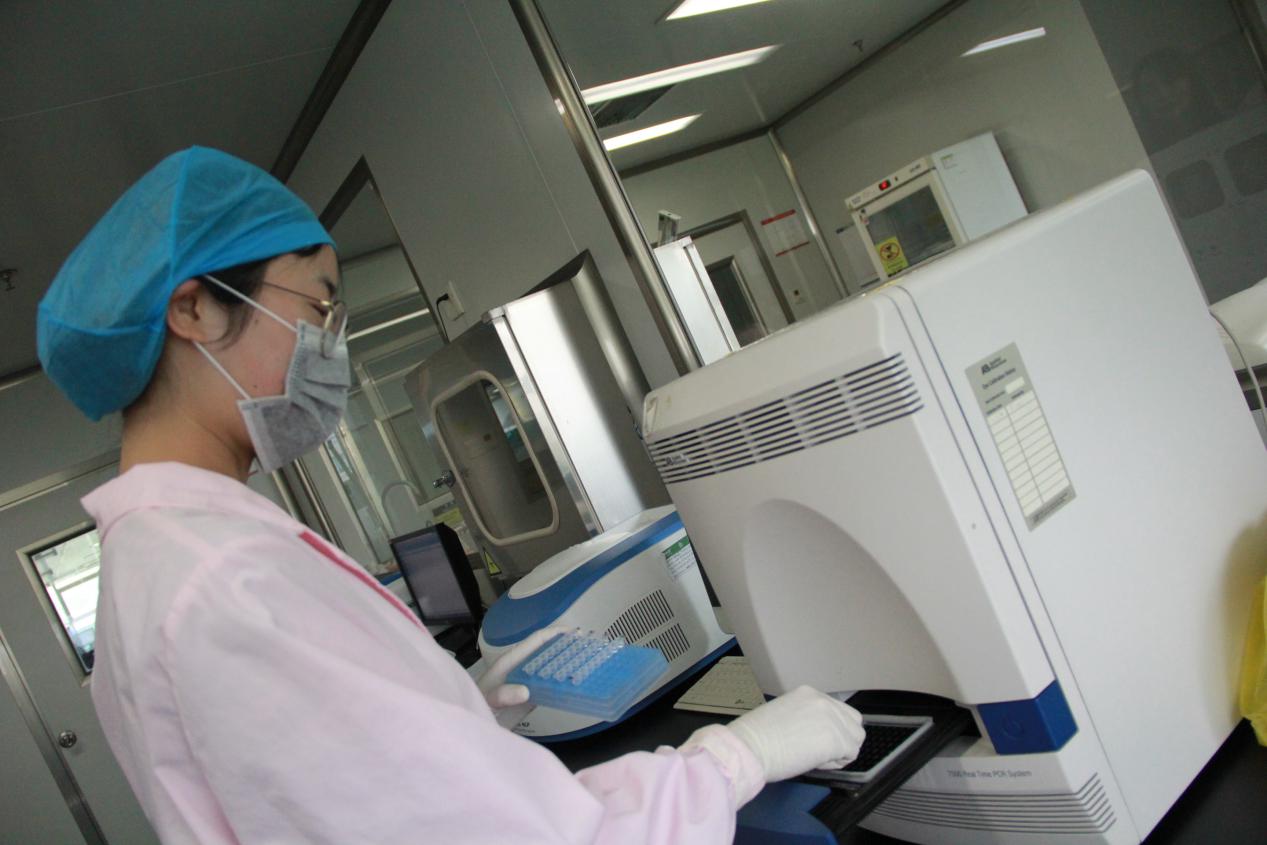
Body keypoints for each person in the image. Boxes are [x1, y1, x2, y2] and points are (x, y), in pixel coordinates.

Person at [38, 147, 865, 844]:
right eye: (319, 306)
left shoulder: (156, 564)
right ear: (193, 309)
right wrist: (734, 758)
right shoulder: (225, 579)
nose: (332, 346)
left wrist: (443, 720)